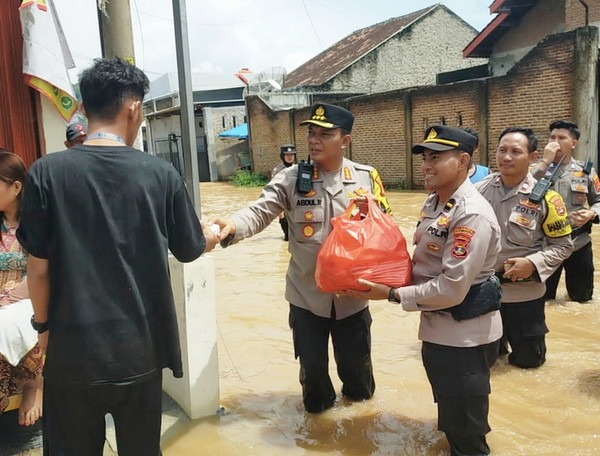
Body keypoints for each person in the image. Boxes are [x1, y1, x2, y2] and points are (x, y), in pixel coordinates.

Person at [16, 58, 218, 455]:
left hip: (73, 353)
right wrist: (214, 233)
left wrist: (43, 329)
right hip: (139, 354)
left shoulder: (46, 173)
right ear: (134, 108)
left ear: (84, 108)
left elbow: (38, 272)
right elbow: (190, 247)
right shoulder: (160, 174)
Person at [211, 103, 391, 413]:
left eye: (325, 134)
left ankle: (362, 430)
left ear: (345, 140)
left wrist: (373, 213)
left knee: (358, 380)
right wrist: (231, 226)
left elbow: (386, 229)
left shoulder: (366, 177)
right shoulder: (293, 178)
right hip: (307, 298)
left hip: (353, 299)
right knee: (314, 383)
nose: (314, 140)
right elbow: (260, 210)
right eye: (311, 132)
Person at [349, 125, 503, 456]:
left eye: (436, 158)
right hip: (439, 332)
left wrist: (391, 294)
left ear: (463, 161)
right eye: (425, 158)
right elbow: (423, 263)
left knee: (467, 432)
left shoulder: (470, 214)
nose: (427, 166)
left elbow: (451, 288)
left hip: (464, 338)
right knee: (452, 419)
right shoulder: (435, 202)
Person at [476, 127, 574, 368]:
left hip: (525, 296)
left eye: (515, 152)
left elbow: (563, 245)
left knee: (529, 364)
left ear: (532, 157)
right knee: (487, 364)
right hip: (484, 296)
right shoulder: (477, 192)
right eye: (502, 150)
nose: (506, 157)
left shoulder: (547, 199)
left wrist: (533, 263)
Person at [531, 120, 600, 303]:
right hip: (546, 244)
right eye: (552, 137)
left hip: (578, 242)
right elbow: (520, 191)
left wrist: (591, 213)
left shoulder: (586, 172)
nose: (555, 141)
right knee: (542, 298)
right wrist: (545, 161)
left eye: (561, 138)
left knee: (582, 299)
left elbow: (598, 200)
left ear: (574, 143)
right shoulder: (536, 170)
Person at [0, 151, 43, 427]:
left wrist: (9, 297)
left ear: (16, 187)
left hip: (27, 301)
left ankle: (34, 383)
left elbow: (43, 271)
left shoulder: (37, 225)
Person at [271, 144, 296, 241]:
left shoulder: (298, 169)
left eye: (292, 155)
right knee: (287, 236)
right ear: (283, 156)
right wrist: (280, 211)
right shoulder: (277, 170)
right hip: (284, 204)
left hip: (296, 204)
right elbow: (275, 191)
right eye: (287, 155)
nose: (290, 157)